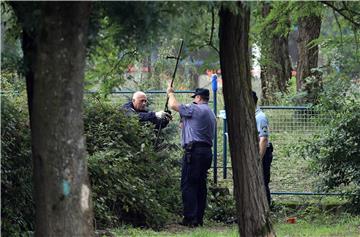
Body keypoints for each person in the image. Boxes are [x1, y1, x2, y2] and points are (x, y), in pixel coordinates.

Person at [167, 86, 216, 227]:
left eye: (195, 97)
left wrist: (170, 93)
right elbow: (189, 126)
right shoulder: (210, 113)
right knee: (200, 185)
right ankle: (198, 219)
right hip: (206, 152)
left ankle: (190, 219)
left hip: (194, 152)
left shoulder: (196, 108)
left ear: (199, 98)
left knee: (188, 185)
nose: (194, 100)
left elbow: (173, 105)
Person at [253, 91, 273, 206]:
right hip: (258, 152)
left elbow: (263, 139)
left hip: (263, 153)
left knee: (262, 182)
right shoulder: (254, 116)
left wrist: (259, 158)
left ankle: (266, 209)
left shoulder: (260, 117)